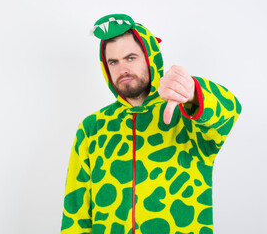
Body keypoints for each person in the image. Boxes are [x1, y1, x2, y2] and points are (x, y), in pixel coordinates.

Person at [60, 13, 241, 234]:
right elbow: (76, 212)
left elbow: (230, 110)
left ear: (150, 57)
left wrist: (193, 91)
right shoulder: (92, 128)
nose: (122, 69)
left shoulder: (189, 115)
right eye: (113, 62)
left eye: (131, 58)